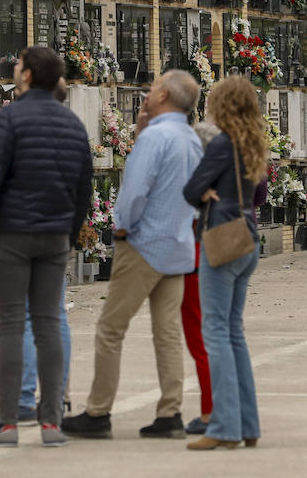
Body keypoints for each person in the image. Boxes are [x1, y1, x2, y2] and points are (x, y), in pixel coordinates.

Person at [0, 46, 93, 449]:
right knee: (49, 325)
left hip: (11, 237)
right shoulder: (72, 125)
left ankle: (10, 424)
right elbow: (82, 189)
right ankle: (51, 425)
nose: (14, 69)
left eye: (18, 65)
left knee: (12, 328)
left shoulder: (10, 118)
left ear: (29, 75)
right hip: (54, 236)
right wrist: (69, 233)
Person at [63, 70, 203, 441]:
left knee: (110, 328)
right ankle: (170, 413)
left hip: (143, 244)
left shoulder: (156, 137)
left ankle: (97, 412)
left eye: (155, 87)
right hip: (178, 245)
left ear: (164, 96)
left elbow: (136, 191)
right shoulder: (190, 138)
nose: (148, 91)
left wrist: (122, 225)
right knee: (167, 332)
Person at [181, 74, 270, 450]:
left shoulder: (220, 144)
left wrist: (207, 192)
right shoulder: (255, 144)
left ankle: (223, 428)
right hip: (247, 240)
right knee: (234, 334)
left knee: (214, 333)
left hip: (221, 241)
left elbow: (189, 190)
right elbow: (260, 194)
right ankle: (247, 425)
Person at [181, 119, 222, 436]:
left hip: (195, 260)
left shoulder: (199, 184)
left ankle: (211, 411)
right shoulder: (227, 179)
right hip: (221, 256)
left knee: (201, 340)